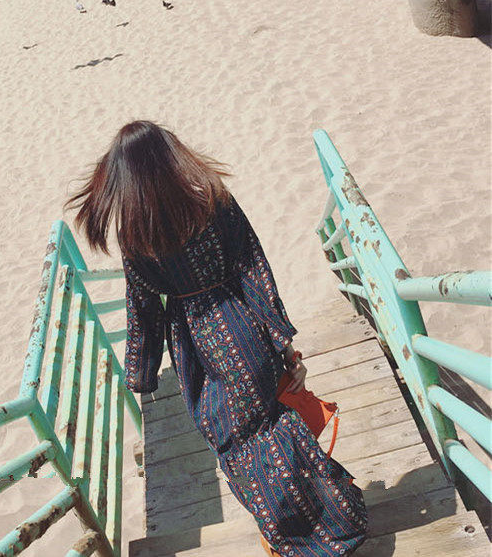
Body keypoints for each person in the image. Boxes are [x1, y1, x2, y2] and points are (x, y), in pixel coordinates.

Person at [66, 121, 368, 557]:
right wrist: (281, 338)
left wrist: (142, 373)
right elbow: (253, 267)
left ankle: (291, 532)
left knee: (234, 441)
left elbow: (143, 309)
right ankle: (332, 517)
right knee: (274, 421)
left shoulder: (136, 238)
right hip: (243, 324)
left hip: (193, 344)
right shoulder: (213, 202)